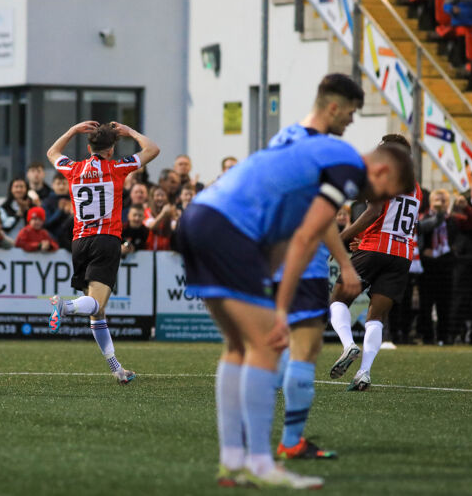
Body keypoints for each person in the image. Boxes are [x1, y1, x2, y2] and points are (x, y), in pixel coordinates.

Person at [176, 134, 412, 489]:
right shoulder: (344, 166)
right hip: (235, 232)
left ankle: (237, 463)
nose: (379, 199)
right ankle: (267, 457)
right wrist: (283, 306)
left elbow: (310, 223)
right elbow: (303, 238)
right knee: (275, 348)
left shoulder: (314, 158)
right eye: (386, 189)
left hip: (206, 221)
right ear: (382, 169)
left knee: (245, 349)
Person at [264, 74, 365, 461]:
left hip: (271, 257)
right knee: (304, 352)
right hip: (302, 261)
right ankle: (291, 441)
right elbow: (319, 215)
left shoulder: (283, 137)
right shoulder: (324, 150)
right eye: (352, 113)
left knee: (287, 349)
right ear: (334, 107)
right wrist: (345, 264)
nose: (351, 122)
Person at [47, 120, 160, 385]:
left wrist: (72, 130)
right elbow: (153, 149)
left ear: (89, 147)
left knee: (97, 313)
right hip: (106, 240)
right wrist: (130, 132)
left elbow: (52, 153)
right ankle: (64, 306)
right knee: (95, 304)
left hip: (80, 242)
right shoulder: (116, 167)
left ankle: (116, 368)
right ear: (111, 150)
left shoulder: (73, 169)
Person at [329, 134, 421, 391]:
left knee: (338, 300)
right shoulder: (416, 187)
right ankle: (364, 373)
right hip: (402, 255)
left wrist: (342, 238)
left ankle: (348, 345)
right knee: (376, 317)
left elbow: (374, 211)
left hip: (375, 249)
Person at [418, 189, 456, 345]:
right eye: (437, 200)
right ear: (431, 202)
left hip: (446, 263)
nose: (440, 203)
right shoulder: (423, 219)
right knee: (426, 302)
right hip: (428, 264)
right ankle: (427, 336)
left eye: (444, 200)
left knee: (445, 302)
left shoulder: (453, 220)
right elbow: (418, 235)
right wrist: (421, 251)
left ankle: (444, 336)